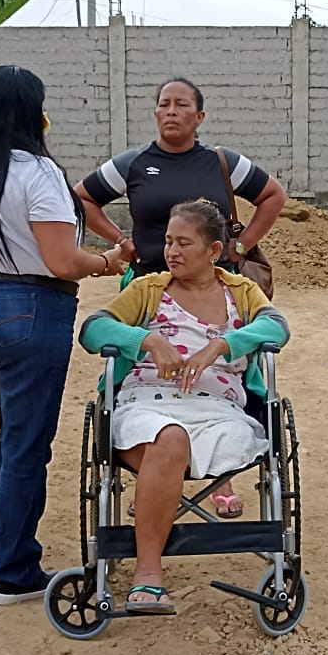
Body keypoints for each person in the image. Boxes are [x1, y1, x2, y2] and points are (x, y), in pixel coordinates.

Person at [0, 65, 124, 606]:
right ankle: (13, 572)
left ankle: (9, 552)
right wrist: (108, 261)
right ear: (30, 112)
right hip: (30, 310)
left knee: (14, 433)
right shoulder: (38, 173)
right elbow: (63, 261)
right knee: (25, 442)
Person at [76, 76, 288, 517]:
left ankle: (219, 480)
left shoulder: (221, 162)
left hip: (212, 284)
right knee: (148, 373)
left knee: (218, 377)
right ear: (155, 112)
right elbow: (83, 198)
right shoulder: (134, 163)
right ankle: (152, 475)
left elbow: (273, 195)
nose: (171, 111)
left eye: (181, 104)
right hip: (149, 287)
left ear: (199, 116)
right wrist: (121, 241)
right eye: (163, 104)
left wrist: (242, 245)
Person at [77, 199, 290, 613]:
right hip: (147, 405)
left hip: (218, 412)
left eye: (184, 243)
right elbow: (93, 329)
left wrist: (221, 345)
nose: (171, 251)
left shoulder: (240, 291)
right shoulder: (148, 289)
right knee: (170, 439)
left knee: (175, 444)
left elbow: (276, 327)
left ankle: (156, 505)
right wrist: (146, 340)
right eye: (168, 241)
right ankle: (148, 573)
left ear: (214, 250)